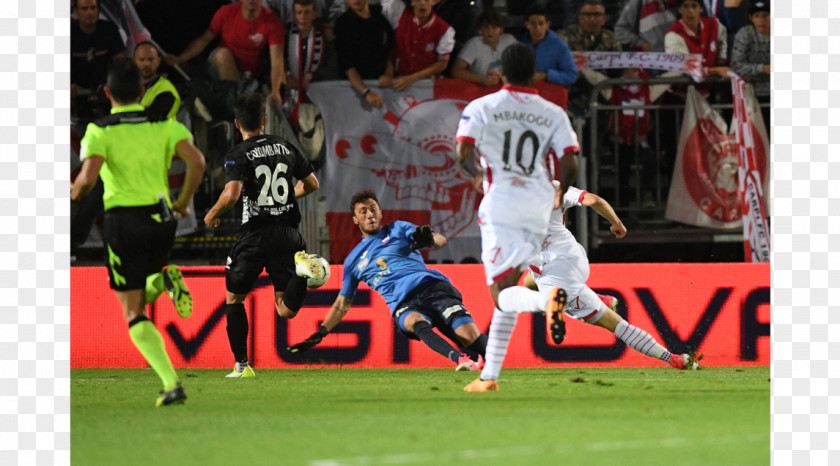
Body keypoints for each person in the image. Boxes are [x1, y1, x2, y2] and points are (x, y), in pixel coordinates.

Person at [70, 60, 207, 406]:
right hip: (162, 219)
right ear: (143, 92)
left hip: (123, 222)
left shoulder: (101, 129)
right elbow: (197, 161)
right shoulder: (164, 124)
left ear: (106, 93)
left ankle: (171, 383)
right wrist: (184, 201)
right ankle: (164, 280)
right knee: (140, 296)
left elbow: (87, 179)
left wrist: (73, 195)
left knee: (132, 312)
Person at [455, 43, 580, 392]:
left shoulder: (483, 106)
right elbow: (570, 160)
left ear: (502, 72)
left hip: (502, 205)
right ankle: (489, 377)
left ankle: (546, 300)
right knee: (510, 287)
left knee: (500, 295)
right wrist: (560, 191)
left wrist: (476, 175)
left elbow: (462, 151)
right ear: (533, 71)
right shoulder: (552, 111)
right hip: (540, 205)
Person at [287, 189, 488, 371]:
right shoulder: (353, 261)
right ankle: (460, 359)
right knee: (412, 321)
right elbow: (342, 304)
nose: (369, 214)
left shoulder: (398, 229)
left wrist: (428, 238)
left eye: (373, 209)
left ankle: (491, 359)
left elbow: (440, 240)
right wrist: (321, 333)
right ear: (356, 220)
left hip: (432, 288)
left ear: (381, 212)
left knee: (468, 335)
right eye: (363, 211)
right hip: (403, 303)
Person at [204, 92, 321, 378]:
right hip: (289, 235)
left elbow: (231, 195)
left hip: (255, 234)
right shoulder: (286, 146)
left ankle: (242, 366)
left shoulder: (239, 153)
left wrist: (212, 214)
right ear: (265, 120)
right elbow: (313, 184)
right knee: (285, 310)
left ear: (236, 123)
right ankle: (303, 273)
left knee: (234, 299)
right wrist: (288, 198)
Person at [523, 183, 702, 370]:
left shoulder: (504, 202)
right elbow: (594, 200)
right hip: (574, 257)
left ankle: (673, 358)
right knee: (529, 281)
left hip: (558, 276)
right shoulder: (554, 186)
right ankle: (590, 297)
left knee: (616, 325)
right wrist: (616, 222)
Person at [167, 0, 287, 109]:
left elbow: (277, 60)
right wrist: (180, 58)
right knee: (223, 54)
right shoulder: (226, 12)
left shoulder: (272, 21)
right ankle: (233, 105)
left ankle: (225, 107)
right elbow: (204, 40)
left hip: (248, 77)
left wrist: (275, 91)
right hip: (218, 66)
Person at [558, 0, 623, 115]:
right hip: (572, 100)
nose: (592, 19)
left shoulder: (611, 39)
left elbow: (618, 69)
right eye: (587, 15)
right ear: (580, 18)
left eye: (597, 15)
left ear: (604, 19)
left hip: (602, 100)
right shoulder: (565, 37)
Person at [283, 0, 338, 125]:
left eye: (307, 12)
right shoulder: (285, 35)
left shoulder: (324, 36)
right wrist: (285, 75)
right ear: (293, 14)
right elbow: (276, 62)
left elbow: (333, 67)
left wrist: (313, 76)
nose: (302, 17)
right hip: (288, 97)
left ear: (314, 14)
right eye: (299, 13)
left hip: (317, 97)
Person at [380, 0, 455, 91]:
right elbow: (393, 48)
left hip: (426, 85)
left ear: (433, 2)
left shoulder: (444, 30)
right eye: (418, 0)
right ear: (412, 2)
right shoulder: (400, 14)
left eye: (426, 0)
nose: (422, 3)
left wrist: (411, 79)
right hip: (398, 81)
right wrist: (388, 73)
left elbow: (442, 63)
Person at [334, 0, 395, 109]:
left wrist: (388, 73)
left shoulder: (381, 19)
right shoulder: (343, 24)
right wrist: (366, 92)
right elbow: (347, 65)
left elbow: (390, 48)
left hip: (380, 88)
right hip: (354, 91)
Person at [71, 0, 126, 117]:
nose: (90, 12)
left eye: (93, 8)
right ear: (76, 12)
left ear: (98, 10)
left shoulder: (110, 29)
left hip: (105, 92)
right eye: (84, 9)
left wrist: (110, 82)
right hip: (75, 94)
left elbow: (120, 61)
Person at [730, 0, 770, 136]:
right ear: (751, 18)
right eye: (757, 16)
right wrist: (763, 69)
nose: (761, 20)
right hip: (752, 96)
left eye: (765, 15)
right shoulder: (745, 33)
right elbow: (736, 66)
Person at [450, 8, 517, 86]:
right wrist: (483, 79)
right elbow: (456, 71)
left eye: (494, 27)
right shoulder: (474, 44)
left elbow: (524, 64)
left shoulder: (509, 40)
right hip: (479, 91)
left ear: (501, 30)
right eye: (486, 27)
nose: (490, 31)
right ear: (480, 30)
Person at [518, 4, 578, 88]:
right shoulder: (520, 43)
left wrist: (546, 75)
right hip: (525, 91)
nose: (537, 28)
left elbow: (571, 76)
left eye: (541, 24)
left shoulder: (559, 45)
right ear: (527, 24)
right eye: (533, 24)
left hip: (549, 92)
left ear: (547, 24)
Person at [134, 41, 181, 120]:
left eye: (151, 60)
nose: (146, 64)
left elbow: (154, 118)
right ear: (134, 61)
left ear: (158, 61)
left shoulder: (165, 89)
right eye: (142, 60)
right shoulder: (128, 85)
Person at [614, 0, 679, 53]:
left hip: (678, 54)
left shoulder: (680, 3)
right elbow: (620, 29)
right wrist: (639, 42)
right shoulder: (638, 2)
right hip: (651, 59)